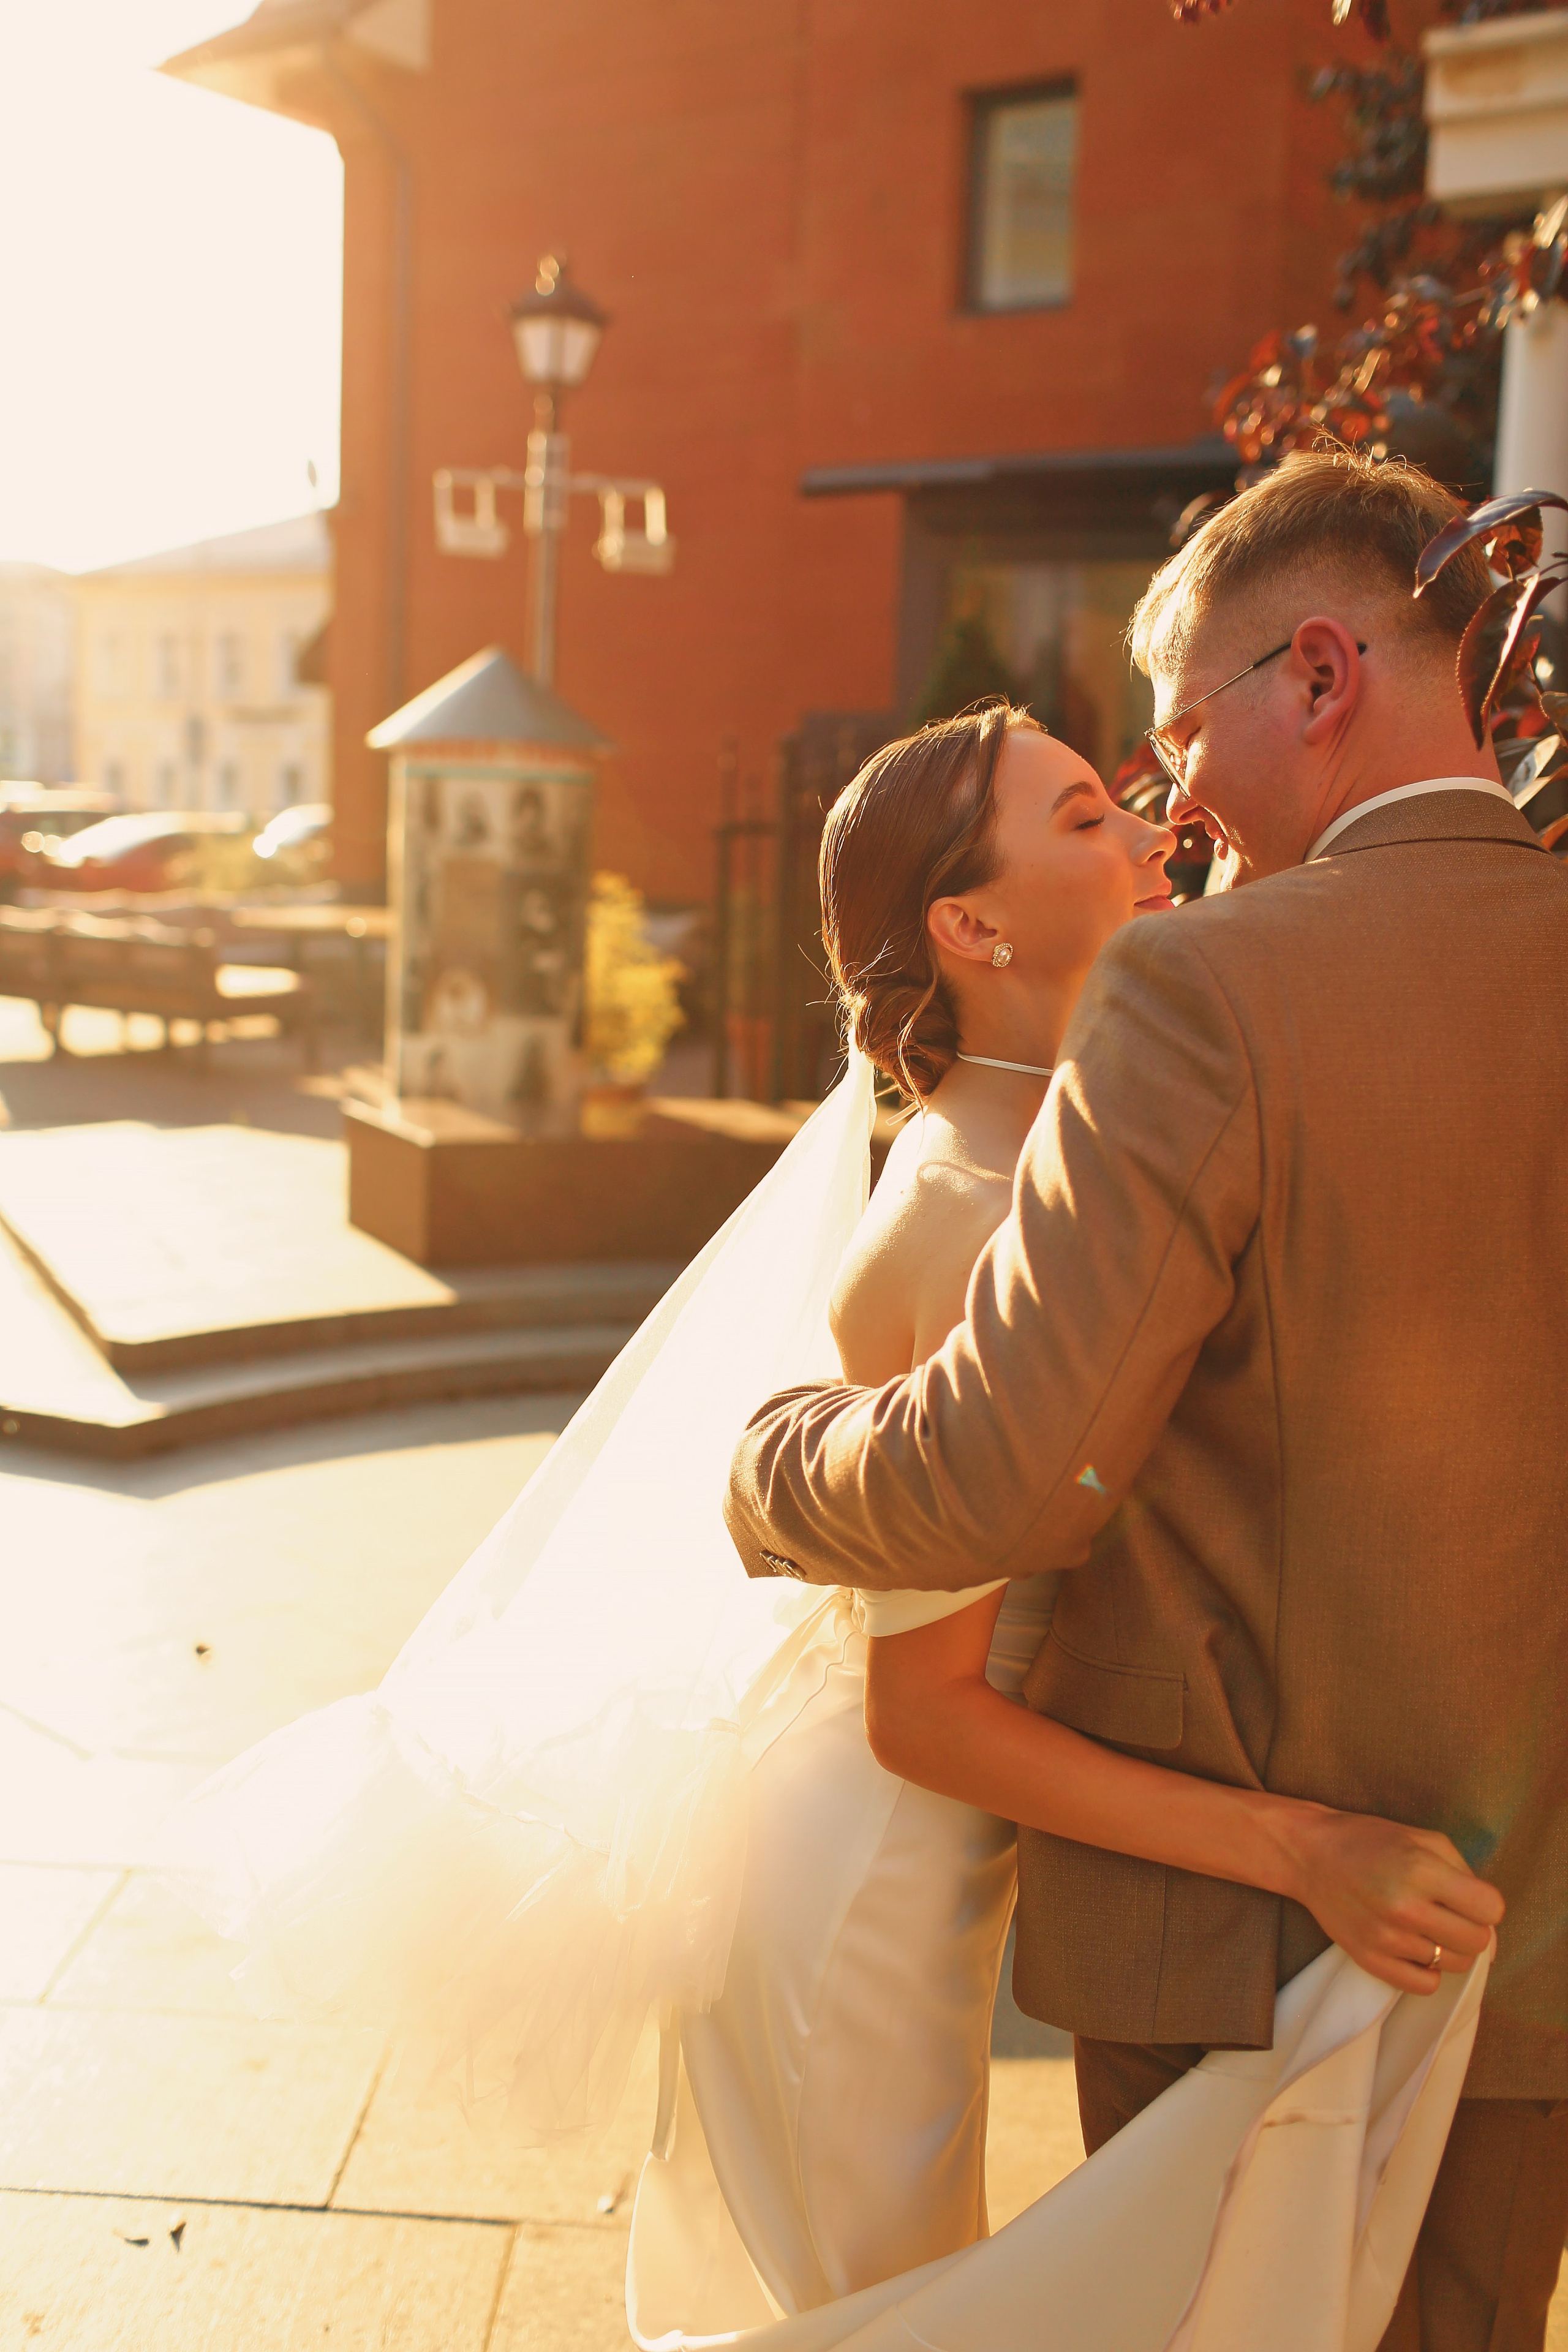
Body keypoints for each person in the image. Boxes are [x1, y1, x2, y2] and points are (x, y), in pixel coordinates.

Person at [725, 448, 1568, 2352]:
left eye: (1178, 737)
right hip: (1532, 1966)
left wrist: (770, 1472)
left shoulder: (1209, 992)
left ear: (1324, 679)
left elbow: (1011, 1474)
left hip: (1242, 1973)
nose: (1173, 800)